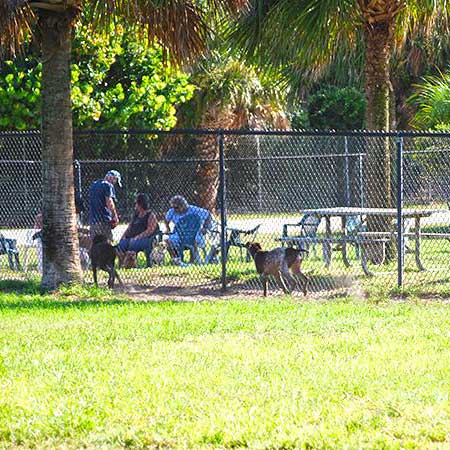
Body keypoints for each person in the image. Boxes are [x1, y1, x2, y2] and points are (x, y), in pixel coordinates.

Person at [164, 195, 212, 265]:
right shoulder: (172, 211)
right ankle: (177, 260)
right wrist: (168, 228)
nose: (174, 209)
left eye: (176, 207)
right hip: (179, 233)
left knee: (193, 240)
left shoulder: (194, 209)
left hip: (194, 232)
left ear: (183, 205)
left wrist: (205, 227)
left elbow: (208, 215)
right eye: (173, 207)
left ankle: (192, 261)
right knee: (168, 241)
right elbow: (166, 219)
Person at [117, 193, 160, 266]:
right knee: (121, 245)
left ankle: (133, 264)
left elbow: (150, 230)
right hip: (131, 238)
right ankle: (124, 264)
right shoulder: (136, 215)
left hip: (147, 239)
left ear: (141, 204)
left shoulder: (150, 215)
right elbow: (129, 227)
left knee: (132, 244)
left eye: (136, 203)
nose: (135, 205)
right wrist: (123, 237)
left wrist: (137, 237)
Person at [88, 170, 121, 242]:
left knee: (94, 243)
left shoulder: (94, 184)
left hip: (93, 220)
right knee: (107, 244)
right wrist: (115, 216)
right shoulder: (108, 185)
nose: (114, 183)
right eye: (116, 180)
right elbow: (109, 202)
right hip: (103, 219)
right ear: (113, 178)